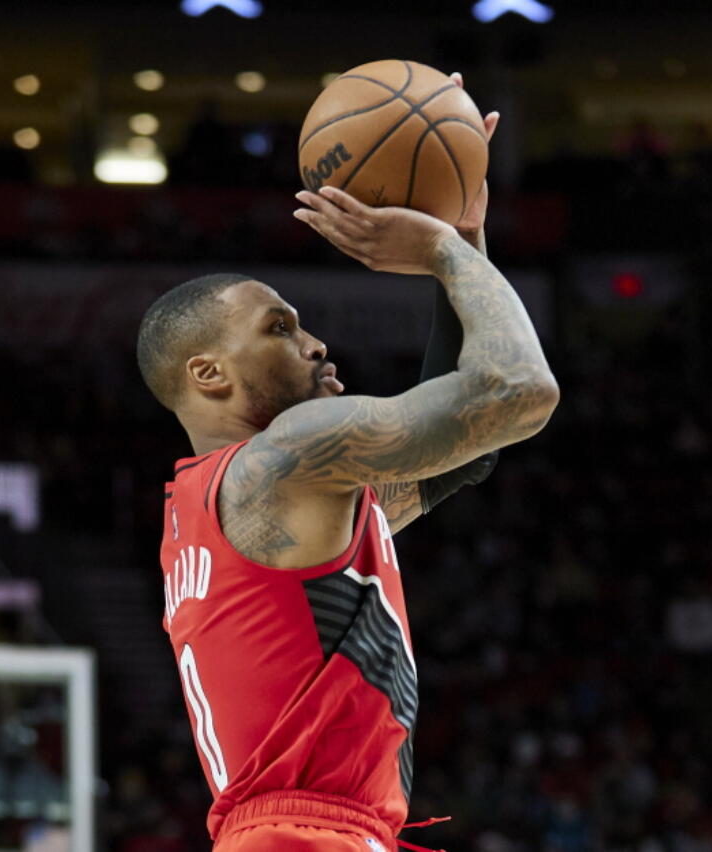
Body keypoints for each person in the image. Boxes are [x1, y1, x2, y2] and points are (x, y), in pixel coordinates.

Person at [137, 84, 559, 851]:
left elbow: (468, 453)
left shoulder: (242, 504)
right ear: (208, 376)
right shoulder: (285, 457)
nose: (316, 342)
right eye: (280, 328)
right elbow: (519, 392)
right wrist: (443, 252)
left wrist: (464, 234)